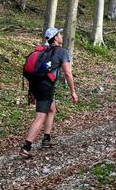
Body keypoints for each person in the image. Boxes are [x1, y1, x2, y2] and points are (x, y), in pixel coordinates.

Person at [20, 27, 78, 159]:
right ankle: (26, 146)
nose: (61, 36)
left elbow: (33, 73)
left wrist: (32, 91)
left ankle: (46, 138)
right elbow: (68, 73)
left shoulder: (43, 51)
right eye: (60, 34)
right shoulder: (62, 52)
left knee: (52, 108)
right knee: (40, 116)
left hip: (36, 85)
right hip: (45, 87)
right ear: (56, 38)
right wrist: (73, 92)